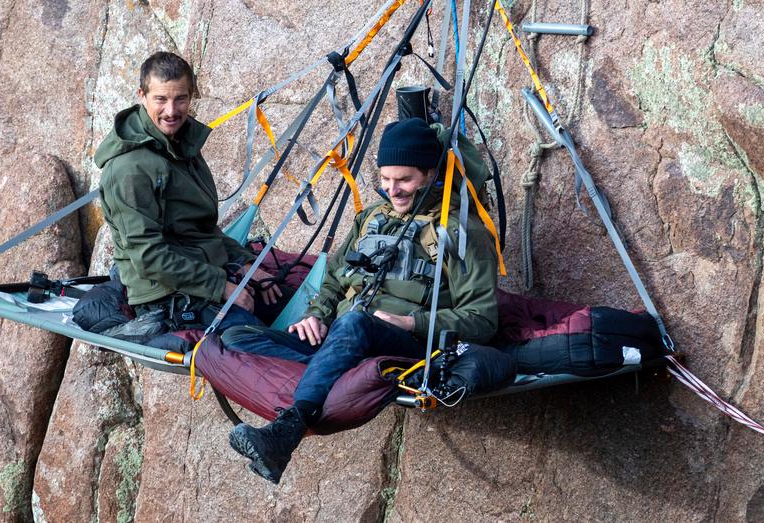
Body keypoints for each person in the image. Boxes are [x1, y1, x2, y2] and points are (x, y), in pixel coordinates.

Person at [224, 117, 499, 484]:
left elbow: (482, 319)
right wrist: (317, 315)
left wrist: (409, 323)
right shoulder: (371, 218)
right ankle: (331, 366)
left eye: (404, 180)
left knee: (354, 322)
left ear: (431, 174)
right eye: (386, 180)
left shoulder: (461, 233)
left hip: (407, 345)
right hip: (341, 337)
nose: (393, 190)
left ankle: (287, 431)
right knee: (235, 338)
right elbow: (335, 278)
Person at [94, 51, 280, 336]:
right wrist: (221, 287)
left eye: (180, 98)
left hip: (202, 273)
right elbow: (149, 257)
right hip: (163, 295)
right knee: (257, 339)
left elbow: (200, 231)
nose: (171, 110)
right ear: (141, 95)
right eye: (161, 99)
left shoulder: (180, 145)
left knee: (291, 304)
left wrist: (244, 265)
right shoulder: (129, 169)